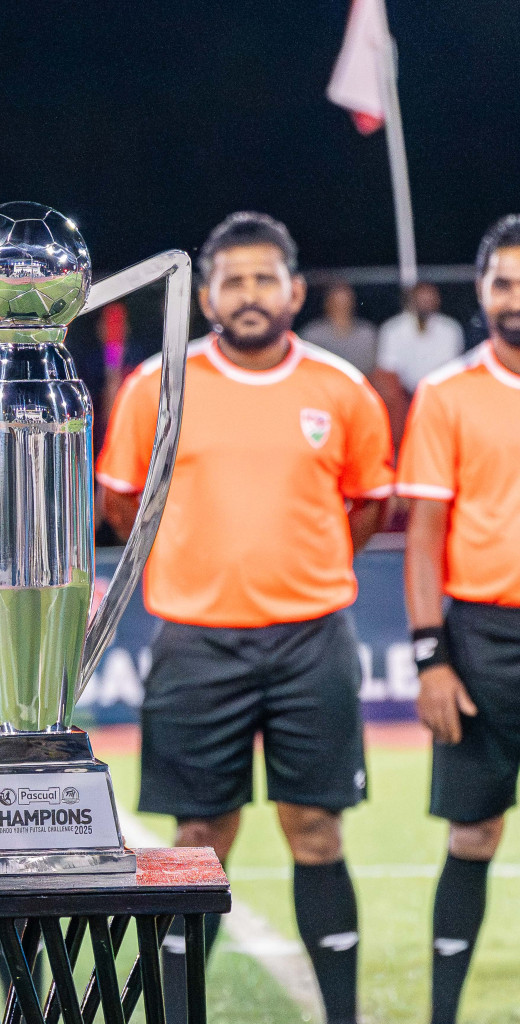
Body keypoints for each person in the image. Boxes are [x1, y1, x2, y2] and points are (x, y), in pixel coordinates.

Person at [97, 212, 393, 1024]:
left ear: (296, 290)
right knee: (199, 840)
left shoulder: (343, 390)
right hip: (197, 643)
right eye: (234, 279)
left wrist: (300, 565)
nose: (251, 293)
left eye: (267, 278)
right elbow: (124, 503)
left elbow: (366, 506)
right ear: (207, 294)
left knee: (316, 831)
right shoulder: (158, 385)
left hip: (312, 642)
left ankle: (341, 1014)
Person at [397, 215, 520, 1024]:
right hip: (483, 642)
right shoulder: (447, 394)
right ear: (481, 291)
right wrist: (430, 657)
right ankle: (444, 1014)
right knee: (473, 836)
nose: (517, 297)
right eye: (504, 281)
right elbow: (424, 540)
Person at [373, 281, 464, 441]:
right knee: (388, 390)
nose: (425, 304)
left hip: (439, 395)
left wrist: (430, 395)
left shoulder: (450, 329)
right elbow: (388, 371)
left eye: (429, 299)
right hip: (404, 398)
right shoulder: (392, 329)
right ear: (411, 301)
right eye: (421, 299)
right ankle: (396, 450)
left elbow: (452, 370)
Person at [301, 280, 378, 376]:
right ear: (327, 304)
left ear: (353, 303)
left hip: (359, 385)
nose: (341, 306)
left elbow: (374, 370)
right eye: (336, 302)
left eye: (345, 302)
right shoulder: (313, 334)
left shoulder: (366, 333)